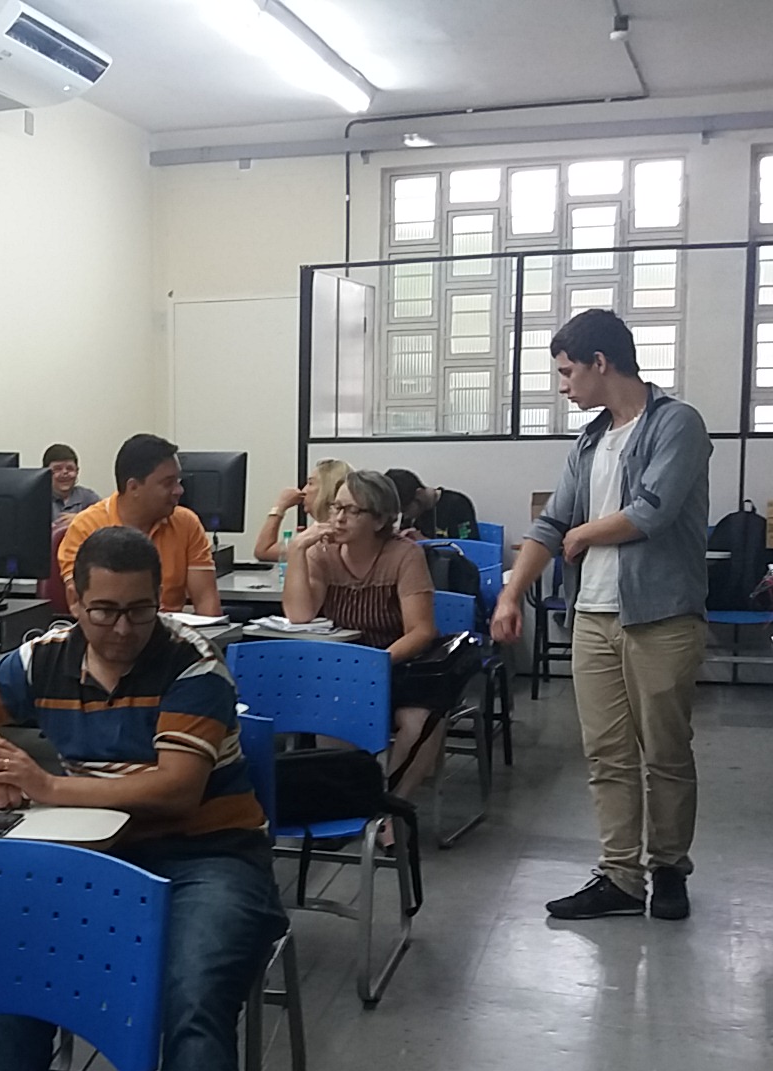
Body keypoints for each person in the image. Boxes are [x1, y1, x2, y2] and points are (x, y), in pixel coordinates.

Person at [0, 526, 287, 1071]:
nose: (122, 629)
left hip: (210, 856)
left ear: (157, 599)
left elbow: (175, 790)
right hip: (97, 854)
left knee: (194, 997)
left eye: (140, 610)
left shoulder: (193, 665)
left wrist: (43, 785)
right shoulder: (48, 655)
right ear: (75, 601)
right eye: (104, 612)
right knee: (14, 973)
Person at [490, 309, 711, 922]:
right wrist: (512, 594)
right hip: (593, 615)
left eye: (566, 372)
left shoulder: (677, 424)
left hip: (660, 616)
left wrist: (586, 533)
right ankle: (619, 875)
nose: (563, 386)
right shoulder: (589, 440)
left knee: (665, 751)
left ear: (600, 363)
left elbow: (652, 511)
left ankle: (668, 868)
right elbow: (550, 523)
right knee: (607, 753)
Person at [281, 469, 444, 794]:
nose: (338, 518)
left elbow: (421, 630)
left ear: (380, 519)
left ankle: (391, 806)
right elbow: (299, 615)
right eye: (335, 508)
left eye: (352, 511)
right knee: (330, 719)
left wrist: (374, 664)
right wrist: (298, 551)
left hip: (398, 664)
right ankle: (350, 801)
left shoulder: (404, 555)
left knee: (420, 723)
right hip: (343, 669)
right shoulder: (322, 553)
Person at [57, 434, 223, 616]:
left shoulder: (186, 523)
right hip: (109, 634)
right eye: (168, 483)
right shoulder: (86, 527)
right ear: (133, 487)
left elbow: (206, 600)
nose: (179, 490)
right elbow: (83, 606)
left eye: (178, 481)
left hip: (171, 637)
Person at [252, 458, 352, 563]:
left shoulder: (325, 535)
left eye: (310, 483)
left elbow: (263, 551)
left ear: (326, 489)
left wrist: (280, 506)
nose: (303, 491)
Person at [387, 468, 480, 541]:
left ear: (419, 494)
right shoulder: (409, 507)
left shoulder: (458, 505)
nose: (404, 515)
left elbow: (470, 548)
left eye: (404, 510)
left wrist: (425, 541)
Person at [44, 442, 99, 526]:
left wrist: (81, 520)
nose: (64, 473)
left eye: (70, 468)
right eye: (58, 469)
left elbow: (105, 522)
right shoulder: (37, 499)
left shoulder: (89, 498)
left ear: (77, 471)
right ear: (45, 473)